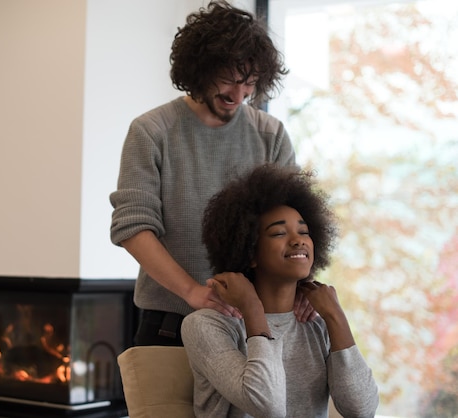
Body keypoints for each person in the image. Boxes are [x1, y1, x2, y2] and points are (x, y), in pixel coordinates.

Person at [110, 0, 314, 346]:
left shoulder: (270, 134)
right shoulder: (152, 131)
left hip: (253, 324)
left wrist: (303, 286)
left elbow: (298, 224)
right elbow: (133, 227)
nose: (238, 95)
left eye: (248, 84)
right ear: (199, 70)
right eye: (229, 81)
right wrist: (191, 291)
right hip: (169, 325)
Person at [180, 164, 379, 417]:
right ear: (249, 250)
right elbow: (267, 405)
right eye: (279, 233)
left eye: (304, 232)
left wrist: (335, 317)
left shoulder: (316, 324)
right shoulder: (207, 326)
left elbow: (361, 409)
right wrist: (252, 309)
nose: (298, 240)